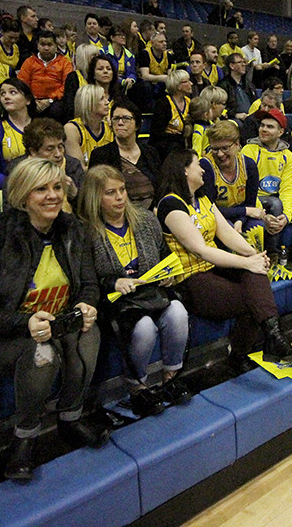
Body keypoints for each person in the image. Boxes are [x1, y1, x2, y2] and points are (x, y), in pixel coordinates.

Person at [0, 158, 107, 480]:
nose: (52, 196)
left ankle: (71, 418)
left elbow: (88, 284)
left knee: (90, 334)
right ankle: (24, 439)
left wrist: (86, 305)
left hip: (57, 322)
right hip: (1, 337)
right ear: (23, 196)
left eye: (57, 187)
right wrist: (24, 323)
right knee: (41, 352)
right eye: (41, 189)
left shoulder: (73, 228)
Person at [156, 149, 292, 373]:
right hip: (190, 278)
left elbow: (226, 233)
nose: (202, 169)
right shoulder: (170, 205)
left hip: (214, 268)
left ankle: (273, 337)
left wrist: (253, 254)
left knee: (256, 273)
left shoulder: (202, 199)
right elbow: (201, 250)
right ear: (184, 170)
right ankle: (245, 352)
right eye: (197, 165)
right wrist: (246, 262)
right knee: (254, 300)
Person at [78, 166, 190, 416]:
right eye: (110, 193)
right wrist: (112, 282)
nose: (120, 197)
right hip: (117, 304)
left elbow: (165, 256)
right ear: (95, 197)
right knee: (144, 327)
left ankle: (170, 377)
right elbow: (86, 280)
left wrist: (169, 274)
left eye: (122, 190)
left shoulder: (146, 220)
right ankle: (137, 387)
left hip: (150, 294)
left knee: (178, 312)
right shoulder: (86, 232)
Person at [242, 108, 292, 253]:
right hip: (257, 198)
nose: (264, 129)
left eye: (270, 127)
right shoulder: (249, 150)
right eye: (262, 125)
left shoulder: (288, 156)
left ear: (280, 132)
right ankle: (272, 253)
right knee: (275, 203)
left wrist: (286, 216)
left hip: (278, 195)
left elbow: (287, 189)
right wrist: (262, 213)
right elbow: (246, 188)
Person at [89, 99, 161, 210]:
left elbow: (160, 186)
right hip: (117, 213)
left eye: (126, 118)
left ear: (137, 125)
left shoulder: (151, 152)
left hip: (152, 212)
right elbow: (95, 193)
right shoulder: (100, 155)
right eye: (116, 119)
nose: (120, 123)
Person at [0, 78, 36, 211]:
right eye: (2, 93)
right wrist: (15, 183)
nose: (6, 96)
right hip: (5, 189)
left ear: (28, 100)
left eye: (12, 92)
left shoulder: (43, 127)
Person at [7, 118, 84, 211]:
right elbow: (10, 209)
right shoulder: (17, 169)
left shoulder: (73, 165)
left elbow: (87, 211)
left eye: (60, 147)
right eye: (50, 149)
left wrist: (74, 194)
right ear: (33, 152)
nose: (58, 154)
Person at [201, 120, 264, 231]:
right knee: (228, 228)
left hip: (241, 214)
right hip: (216, 215)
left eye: (225, 148)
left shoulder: (249, 165)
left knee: (259, 226)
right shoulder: (206, 166)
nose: (220, 154)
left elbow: (250, 204)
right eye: (215, 149)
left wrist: (240, 221)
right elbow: (209, 208)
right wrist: (245, 211)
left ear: (237, 144)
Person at [18, 30, 74, 122]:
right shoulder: (29, 62)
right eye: (43, 44)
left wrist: (50, 99)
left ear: (56, 46)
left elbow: (67, 85)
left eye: (49, 45)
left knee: (58, 109)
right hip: (33, 100)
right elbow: (22, 83)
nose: (46, 48)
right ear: (37, 46)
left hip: (55, 101)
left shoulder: (65, 62)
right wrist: (33, 99)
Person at [149, 69, 192, 161]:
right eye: (186, 81)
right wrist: (176, 136)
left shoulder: (190, 102)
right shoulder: (163, 104)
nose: (191, 84)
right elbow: (156, 133)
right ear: (178, 86)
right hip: (166, 146)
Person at [64, 84, 112, 167]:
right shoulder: (72, 129)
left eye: (105, 98)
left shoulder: (110, 126)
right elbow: (78, 169)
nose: (107, 102)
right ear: (89, 103)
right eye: (101, 99)